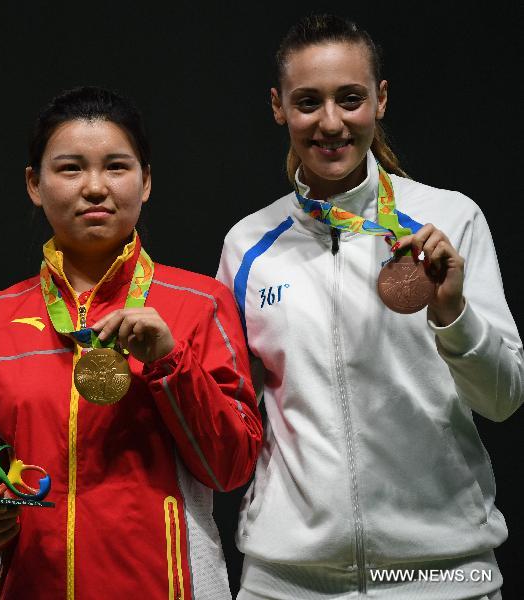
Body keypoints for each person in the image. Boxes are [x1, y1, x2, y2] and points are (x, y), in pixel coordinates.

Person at [217, 14, 523, 600]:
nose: (331, 123)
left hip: (443, 576)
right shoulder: (247, 245)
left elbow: (503, 399)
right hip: (286, 582)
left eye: (350, 98)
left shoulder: (451, 220)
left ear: (380, 101)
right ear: (278, 107)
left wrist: (452, 314)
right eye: (308, 102)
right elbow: (236, 416)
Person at [0, 86, 263, 599]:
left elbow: (230, 468)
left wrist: (169, 362)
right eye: (70, 169)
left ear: (147, 181)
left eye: (116, 167)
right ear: (34, 183)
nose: (95, 187)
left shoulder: (200, 304)